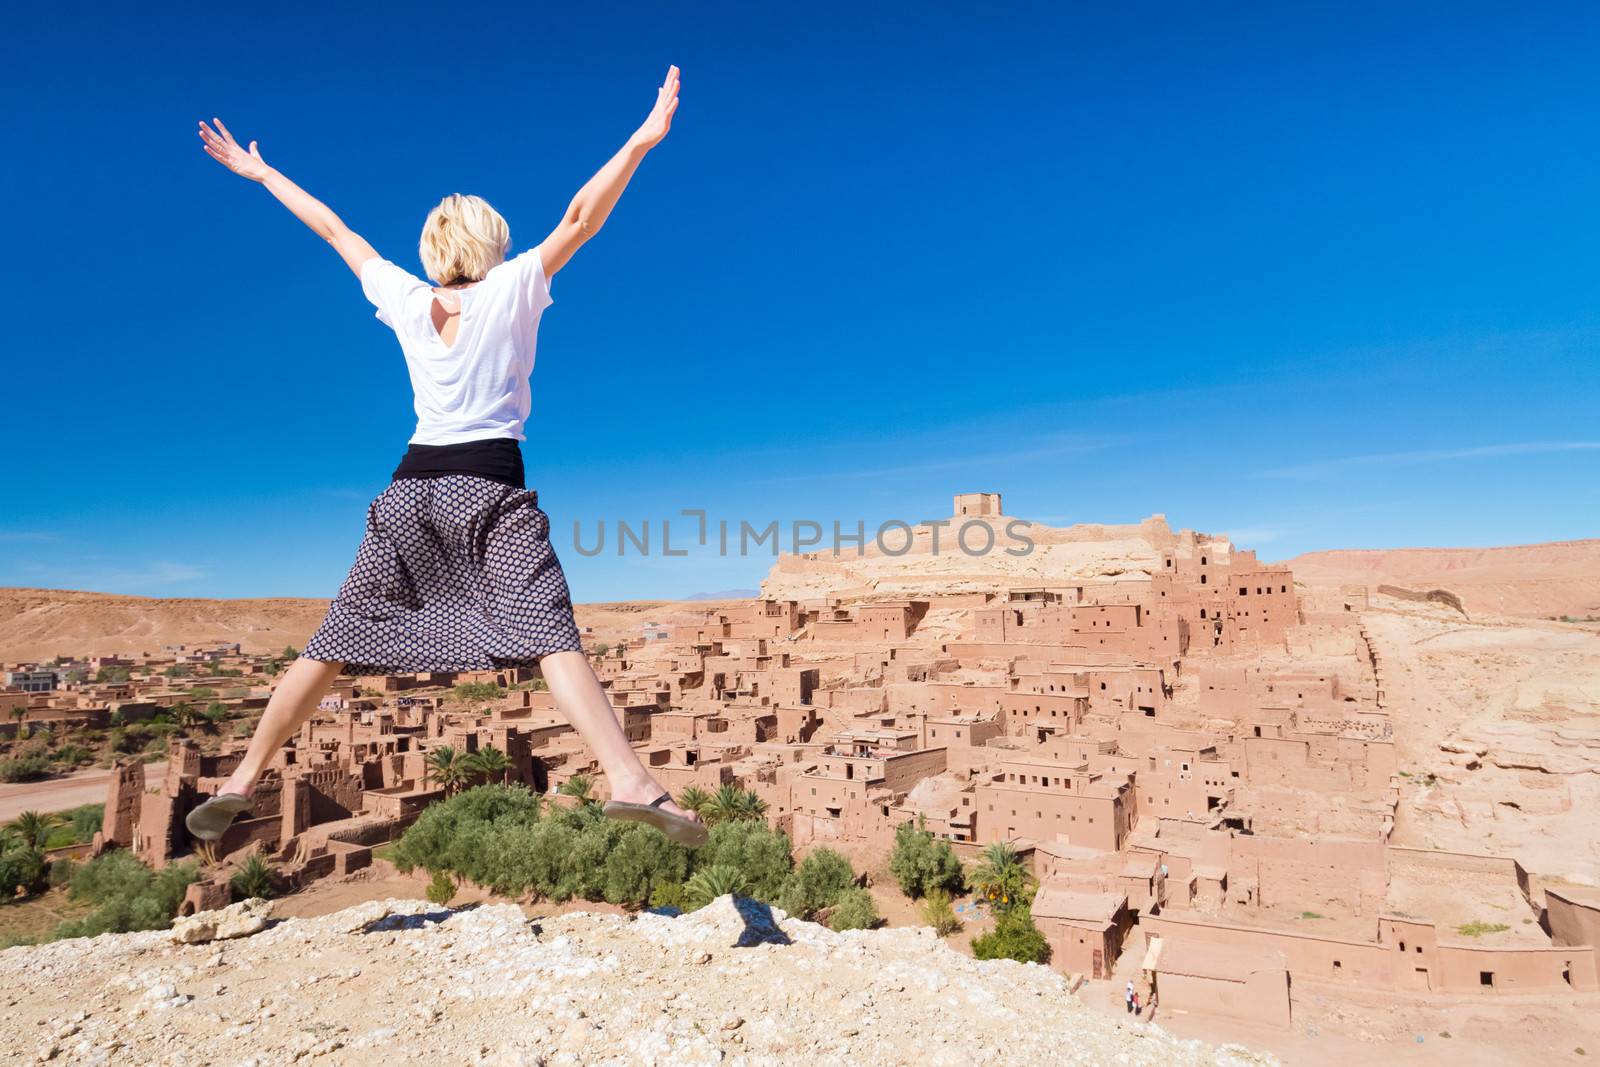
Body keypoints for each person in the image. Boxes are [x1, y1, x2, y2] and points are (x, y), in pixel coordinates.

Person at [184, 66, 705, 848]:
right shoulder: (515, 286)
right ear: (492, 243)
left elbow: (334, 230)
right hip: (488, 487)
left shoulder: (400, 294)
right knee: (550, 632)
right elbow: (580, 217)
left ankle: (239, 778)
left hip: (407, 490)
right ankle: (630, 780)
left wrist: (262, 173)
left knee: (333, 643)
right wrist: (640, 140)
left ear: (432, 249)